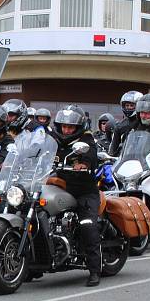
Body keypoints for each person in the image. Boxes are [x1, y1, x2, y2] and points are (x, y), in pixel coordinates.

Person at [49, 107, 101, 287]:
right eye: (64, 127)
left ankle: (94, 270)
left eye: (70, 127)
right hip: (58, 188)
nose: (66, 130)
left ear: (78, 127)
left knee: (87, 225)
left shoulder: (86, 140)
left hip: (84, 191)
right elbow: (41, 153)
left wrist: (84, 164)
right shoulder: (54, 140)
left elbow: (91, 156)